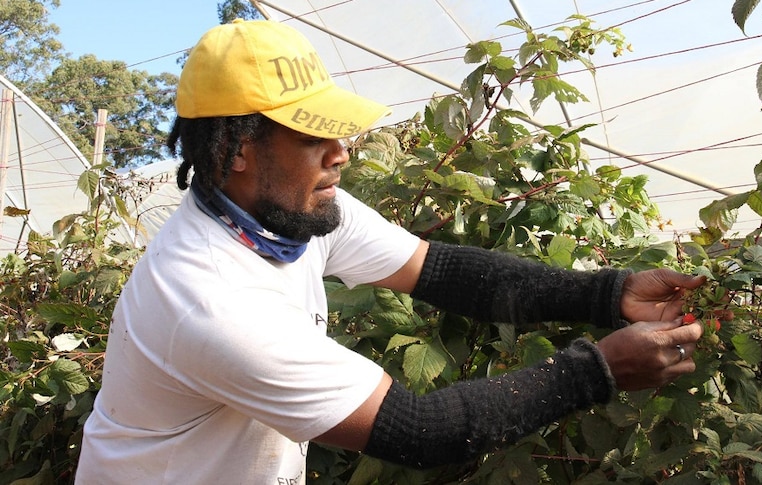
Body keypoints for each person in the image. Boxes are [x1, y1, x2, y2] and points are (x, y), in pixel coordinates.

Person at [75, 19, 712, 484]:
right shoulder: (208, 297)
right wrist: (597, 371)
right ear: (236, 150)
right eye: (312, 134)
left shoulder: (294, 214)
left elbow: (442, 271)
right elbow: (420, 430)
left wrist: (608, 293)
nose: (341, 152)